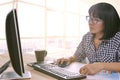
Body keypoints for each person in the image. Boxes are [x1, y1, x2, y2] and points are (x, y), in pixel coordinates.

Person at [57, 2, 120, 75]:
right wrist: (69, 59)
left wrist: (101, 65)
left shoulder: (117, 38)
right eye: (90, 18)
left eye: (96, 20)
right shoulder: (87, 37)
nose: (90, 22)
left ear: (108, 21)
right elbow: (78, 56)